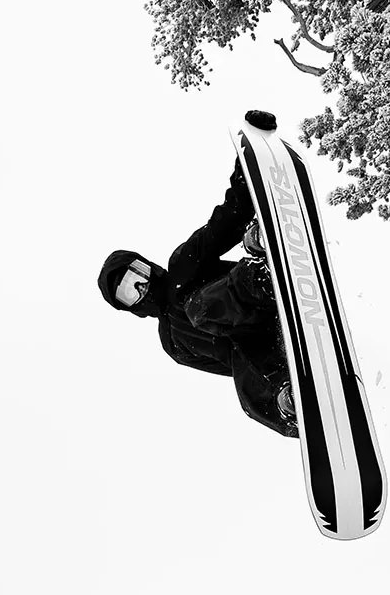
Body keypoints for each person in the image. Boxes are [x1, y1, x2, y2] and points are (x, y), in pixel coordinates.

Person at [97, 110, 298, 438]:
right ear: (131, 308)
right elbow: (228, 366)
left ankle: (263, 261)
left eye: (136, 274)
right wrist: (266, 377)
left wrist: (251, 155)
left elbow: (228, 219)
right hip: (265, 351)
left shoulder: (182, 265)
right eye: (129, 292)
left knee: (197, 308)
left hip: (260, 298)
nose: (141, 287)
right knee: (246, 394)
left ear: (146, 265)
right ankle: (290, 405)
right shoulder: (173, 344)